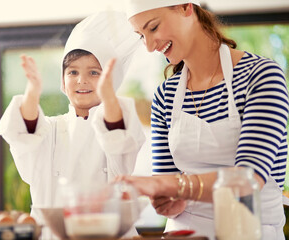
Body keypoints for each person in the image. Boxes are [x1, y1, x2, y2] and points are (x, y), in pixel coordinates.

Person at [116, 0, 289, 239]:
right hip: (184, 232)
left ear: (186, 7)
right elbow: (166, 183)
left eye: (153, 28)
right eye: (140, 36)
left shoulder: (260, 76)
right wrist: (169, 201)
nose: (149, 46)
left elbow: (249, 180)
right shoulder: (165, 96)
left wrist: (173, 186)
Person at [0, 10, 145, 239]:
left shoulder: (116, 128)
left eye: (94, 72)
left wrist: (109, 98)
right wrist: (32, 93)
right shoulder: (50, 130)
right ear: (63, 83)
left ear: (110, 82)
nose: (81, 80)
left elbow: (120, 138)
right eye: (73, 72)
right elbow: (23, 136)